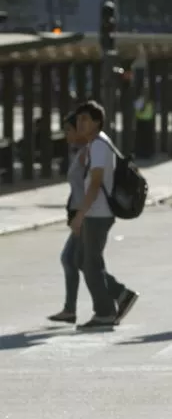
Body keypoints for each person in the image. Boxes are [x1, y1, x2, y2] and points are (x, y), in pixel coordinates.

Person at [71, 101, 139, 330]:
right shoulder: (95, 144)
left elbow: (96, 182)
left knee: (90, 264)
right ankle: (121, 295)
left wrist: (80, 214)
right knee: (84, 260)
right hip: (96, 212)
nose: (80, 124)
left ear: (97, 122)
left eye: (85, 120)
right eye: (78, 119)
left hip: (98, 213)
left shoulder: (99, 146)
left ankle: (105, 312)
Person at [47, 112, 84, 324]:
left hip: (87, 215)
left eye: (69, 130)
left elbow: (91, 188)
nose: (66, 134)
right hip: (80, 214)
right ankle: (70, 309)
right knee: (78, 261)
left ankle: (119, 295)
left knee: (75, 260)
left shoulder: (87, 153)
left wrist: (80, 215)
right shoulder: (76, 152)